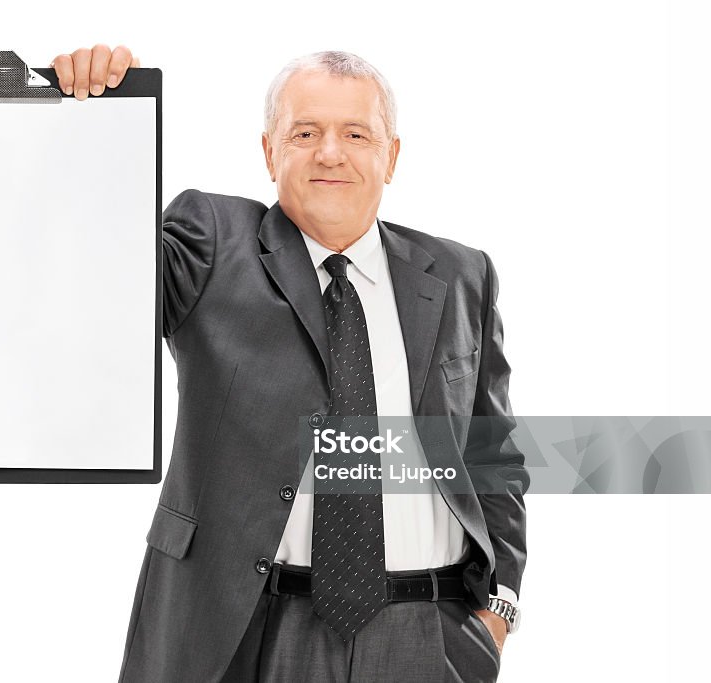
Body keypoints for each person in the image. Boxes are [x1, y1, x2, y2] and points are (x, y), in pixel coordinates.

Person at [51, 45, 528, 683]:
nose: (330, 152)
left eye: (356, 134)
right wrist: (92, 119)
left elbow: (493, 454)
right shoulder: (211, 241)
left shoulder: (464, 274)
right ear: (270, 152)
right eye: (305, 133)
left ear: (391, 157)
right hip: (248, 630)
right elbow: (98, 272)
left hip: (429, 634)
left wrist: (499, 607)